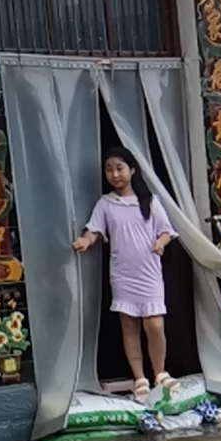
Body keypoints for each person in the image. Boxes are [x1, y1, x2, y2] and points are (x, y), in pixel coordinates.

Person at [72, 147, 178, 399]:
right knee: (129, 326)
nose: (115, 174)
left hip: (149, 273)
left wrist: (160, 243)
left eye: (119, 168)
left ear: (132, 170)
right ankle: (139, 378)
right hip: (122, 275)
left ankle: (160, 373)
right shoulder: (106, 203)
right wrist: (86, 240)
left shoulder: (150, 201)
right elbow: (94, 229)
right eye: (109, 169)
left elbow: (166, 230)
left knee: (154, 323)